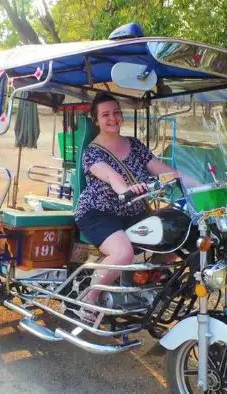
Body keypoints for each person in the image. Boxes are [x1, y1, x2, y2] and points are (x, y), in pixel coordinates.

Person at [74, 93, 180, 318]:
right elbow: (112, 176)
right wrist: (125, 190)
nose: (112, 118)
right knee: (123, 253)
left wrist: (193, 181)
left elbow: (160, 168)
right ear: (96, 120)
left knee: (173, 240)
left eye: (116, 112)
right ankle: (89, 300)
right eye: (105, 114)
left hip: (133, 211)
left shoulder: (134, 144)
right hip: (99, 212)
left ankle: (149, 288)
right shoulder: (92, 152)